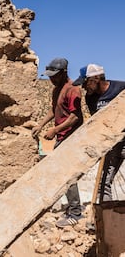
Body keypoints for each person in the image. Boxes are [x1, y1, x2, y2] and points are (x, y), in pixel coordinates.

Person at [32, 58, 84, 228]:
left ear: (64, 73)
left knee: (67, 174)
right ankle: (71, 207)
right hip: (61, 136)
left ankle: (75, 212)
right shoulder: (57, 90)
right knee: (62, 173)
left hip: (72, 136)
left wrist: (54, 130)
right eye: (50, 76)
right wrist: (41, 125)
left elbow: (74, 117)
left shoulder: (73, 90)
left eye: (54, 76)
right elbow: (53, 110)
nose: (51, 79)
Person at [72, 64, 125, 202]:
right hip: (111, 144)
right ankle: (106, 217)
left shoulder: (121, 88)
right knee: (103, 183)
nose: (84, 87)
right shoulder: (90, 99)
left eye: (85, 83)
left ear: (96, 79)